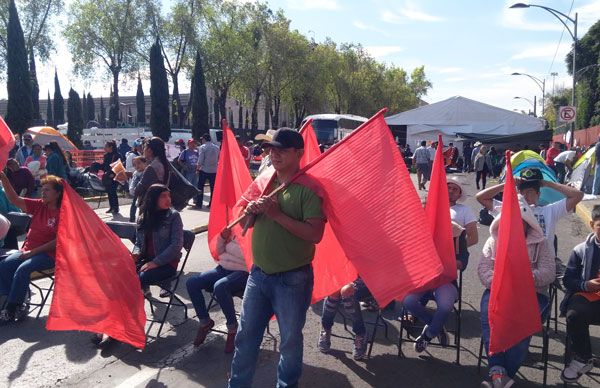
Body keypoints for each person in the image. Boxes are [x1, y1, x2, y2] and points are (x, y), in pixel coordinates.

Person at [229, 128, 326, 388]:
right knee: (246, 337)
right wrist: (250, 211)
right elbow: (245, 226)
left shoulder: (310, 188)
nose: (275, 153)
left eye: (282, 149)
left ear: (298, 153)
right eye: (272, 148)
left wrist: (276, 215)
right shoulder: (264, 181)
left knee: (290, 342)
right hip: (258, 275)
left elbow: (315, 234)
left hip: (292, 278)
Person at [479, 198, 555, 387]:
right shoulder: (493, 241)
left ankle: (501, 376)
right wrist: (502, 281)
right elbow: (483, 270)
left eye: (517, 221)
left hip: (532, 294)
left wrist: (522, 278)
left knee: (522, 325)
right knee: (490, 317)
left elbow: (549, 272)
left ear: (527, 223)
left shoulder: (541, 243)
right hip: (498, 291)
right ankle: (499, 375)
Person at [476, 167, 584, 257]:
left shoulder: (549, 211)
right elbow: (481, 197)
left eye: (530, 191)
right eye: (522, 192)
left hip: (543, 264)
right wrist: (507, 184)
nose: (525, 196)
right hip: (515, 262)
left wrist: (549, 184)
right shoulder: (507, 210)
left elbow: (578, 195)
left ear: (538, 194)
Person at [0, 173, 63, 324]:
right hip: (28, 251)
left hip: (48, 255)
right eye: (42, 188)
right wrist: (4, 179)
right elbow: (14, 199)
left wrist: (31, 253)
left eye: (47, 190)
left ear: (58, 193)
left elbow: (58, 241)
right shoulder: (39, 205)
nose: (43, 192)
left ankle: (11, 308)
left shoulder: (63, 213)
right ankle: (19, 301)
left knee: (23, 269)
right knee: (4, 266)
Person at [186, 227, 249, 353]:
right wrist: (222, 237)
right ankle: (205, 322)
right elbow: (219, 252)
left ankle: (232, 329)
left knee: (220, 286)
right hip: (223, 268)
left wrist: (237, 245)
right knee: (192, 282)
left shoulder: (254, 231)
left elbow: (248, 257)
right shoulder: (234, 227)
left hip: (243, 271)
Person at [560, 204, 600, 383]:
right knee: (574, 314)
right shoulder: (581, 250)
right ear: (592, 225)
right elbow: (568, 280)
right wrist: (585, 284)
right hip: (589, 295)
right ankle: (583, 357)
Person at [132, 184, 183, 297]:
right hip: (146, 260)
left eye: (169, 195)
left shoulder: (173, 216)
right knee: (119, 273)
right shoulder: (143, 217)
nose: (168, 199)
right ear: (153, 198)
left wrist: (155, 262)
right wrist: (136, 253)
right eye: (163, 196)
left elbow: (176, 246)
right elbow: (138, 242)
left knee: (140, 278)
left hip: (167, 263)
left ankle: (135, 309)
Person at [318, 277, 373, 360]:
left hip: (369, 279)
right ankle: (326, 328)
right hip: (346, 275)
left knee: (346, 292)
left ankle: (361, 333)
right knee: (334, 289)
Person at [134, 137, 170, 208]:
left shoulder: (152, 167)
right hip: (163, 203)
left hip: (151, 206)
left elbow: (138, 190)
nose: (143, 150)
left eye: (144, 147)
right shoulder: (165, 163)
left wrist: (134, 179)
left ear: (149, 150)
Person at [195, 134, 219, 209]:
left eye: (202, 139)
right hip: (214, 170)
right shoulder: (217, 147)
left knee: (200, 187)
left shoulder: (203, 147)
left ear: (204, 139)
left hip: (204, 169)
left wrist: (197, 168)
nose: (202, 141)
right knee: (213, 188)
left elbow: (201, 159)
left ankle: (199, 203)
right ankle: (212, 204)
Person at [101, 140, 121, 214]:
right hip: (107, 176)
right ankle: (111, 207)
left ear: (111, 147)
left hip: (115, 176)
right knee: (109, 192)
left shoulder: (117, 155)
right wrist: (97, 166)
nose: (104, 147)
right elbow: (104, 166)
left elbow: (120, 166)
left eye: (106, 146)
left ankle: (116, 207)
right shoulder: (106, 155)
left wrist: (113, 173)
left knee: (113, 191)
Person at [128, 156, 147, 222]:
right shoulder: (135, 173)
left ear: (145, 163)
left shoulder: (146, 172)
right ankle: (131, 218)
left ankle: (142, 219)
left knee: (142, 206)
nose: (136, 166)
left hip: (144, 193)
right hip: (136, 192)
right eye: (134, 165)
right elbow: (133, 182)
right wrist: (131, 189)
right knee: (133, 204)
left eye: (139, 163)